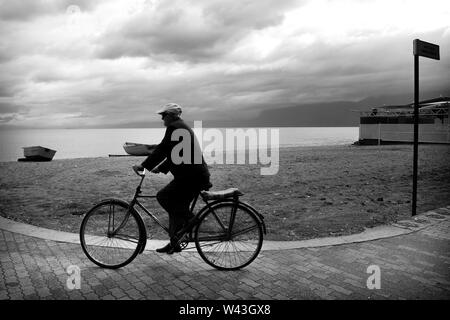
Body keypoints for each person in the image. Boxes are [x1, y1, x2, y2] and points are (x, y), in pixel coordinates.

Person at [133, 103, 211, 254]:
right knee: (175, 210)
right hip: (194, 176)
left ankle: (191, 220)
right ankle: (175, 242)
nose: (162, 118)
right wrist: (160, 168)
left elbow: (163, 149)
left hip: (191, 177)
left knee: (163, 196)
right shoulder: (180, 127)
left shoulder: (175, 128)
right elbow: (176, 153)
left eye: (163, 115)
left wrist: (144, 165)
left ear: (171, 115)